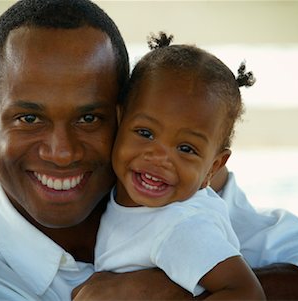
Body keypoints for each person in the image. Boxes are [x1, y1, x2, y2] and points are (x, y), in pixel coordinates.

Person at [0, 0, 298, 300]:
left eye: (90, 118)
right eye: (29, 118)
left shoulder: (169, 185)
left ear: (122, 114)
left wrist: (166, 289)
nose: (62, 152)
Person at [94, 32, 265, 300]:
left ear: (213, 167)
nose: (159, 157)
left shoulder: (181, 226)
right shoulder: (120, 197)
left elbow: (246, 293)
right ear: (119, 121)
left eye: (186, 149)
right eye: (145, 133)